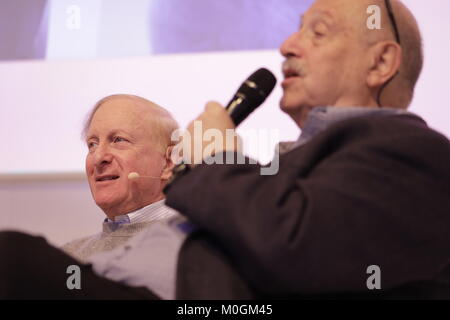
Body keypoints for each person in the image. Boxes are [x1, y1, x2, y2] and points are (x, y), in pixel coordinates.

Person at [1, 0, 449, 300]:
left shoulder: (416, 155)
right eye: (296, 31)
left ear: (381, 63)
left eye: (317, 33)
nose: (288, 45)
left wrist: (216, 156)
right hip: (123, 281)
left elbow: (293, 244)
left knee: (12, 259)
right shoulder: (294, 157)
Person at [61, 94, 179, 262]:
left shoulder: (193, 246)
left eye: (118, 140)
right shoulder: (69, 257)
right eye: (92, 144)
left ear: (168, 162)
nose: (98, 157)